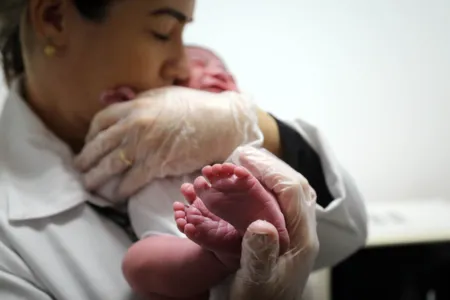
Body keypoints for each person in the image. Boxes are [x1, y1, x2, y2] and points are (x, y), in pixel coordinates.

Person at [0, 1, 367, 300]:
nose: (181, 67)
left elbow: (346, 232)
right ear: (54, 18)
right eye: (163, 31)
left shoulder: (192, 119)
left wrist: (253, 126)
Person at [94, 45, 291, 300]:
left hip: (263, 251)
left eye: (223, 70)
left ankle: (249, 232)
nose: (216, 72)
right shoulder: (143, 150)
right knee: (136, 262)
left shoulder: (245, 148)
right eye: (197, 64)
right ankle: (215, 256)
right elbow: (106, 176)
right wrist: (127, 104)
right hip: (173, 245)